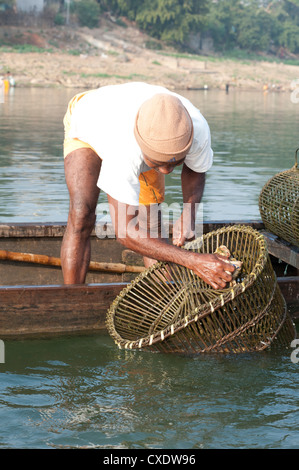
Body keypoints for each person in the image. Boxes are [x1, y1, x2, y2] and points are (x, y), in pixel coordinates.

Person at [61, 82, 234, 289]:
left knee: (151, 223)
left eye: (175, 163)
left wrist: (190, 212)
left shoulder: (195, 129)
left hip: (147, 132)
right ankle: (71, 297)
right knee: (82, 214)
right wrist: (193, 261)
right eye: (158, 164)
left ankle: (164, 299)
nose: (166, 172)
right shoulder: (123, 150)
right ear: (143, 148)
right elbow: (125, 232)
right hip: (89, 119)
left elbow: (196, 168)